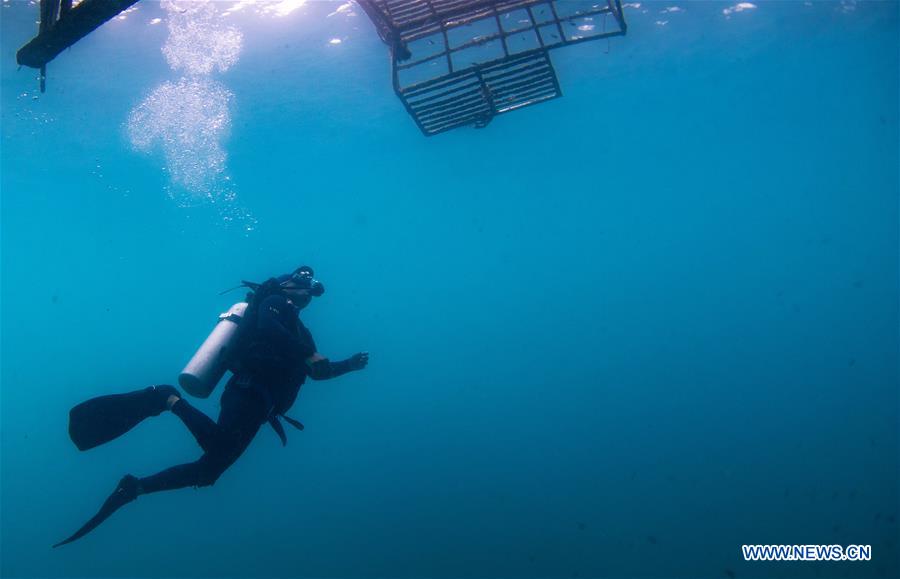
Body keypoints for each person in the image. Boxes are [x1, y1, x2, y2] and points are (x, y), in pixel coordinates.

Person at [53, 266, 368, 547]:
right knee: (219, 449)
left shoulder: (302, 332)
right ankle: (166, 398)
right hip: (247, 390)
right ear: (286, 285)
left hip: (262, 405)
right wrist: (307, 354)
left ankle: (134, 489)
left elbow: (315, 371)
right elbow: (271, 331)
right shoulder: (273, 303)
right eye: (302, 283)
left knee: (209, 471)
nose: (307, 292)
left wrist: (348, 366)